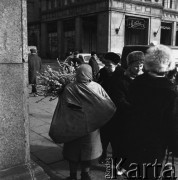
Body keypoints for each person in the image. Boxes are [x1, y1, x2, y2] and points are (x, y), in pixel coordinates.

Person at [126, 45, 177, 179]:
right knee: (150, 174)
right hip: (156, 142)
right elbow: (171, 121)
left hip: (134, 136)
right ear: (167, 64)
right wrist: (174, 145)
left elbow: (130, 106)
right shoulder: (169, 89)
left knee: (134, 173)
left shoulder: (137, 82)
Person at [62, 64, 115, 180]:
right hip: (92, 125)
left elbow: (65, 106)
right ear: (90, 73)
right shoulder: (96, 87)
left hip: (74, 126)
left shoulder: (70, 87)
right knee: (88, 151)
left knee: (73, 151)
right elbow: (107, 104)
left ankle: (72, 175)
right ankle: (85, 174)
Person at [110, 51, 144, 169]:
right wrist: (135, 109)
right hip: (124, 119)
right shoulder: (122, 80)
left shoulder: (145, 80)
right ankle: (118, 167)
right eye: (136, 65)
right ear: (129, 65)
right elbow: (120, 100)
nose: (139, 68)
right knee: (121, 145)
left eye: (141, 65)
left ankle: (131, 166)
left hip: (138, 120)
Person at [97, 52, 122, 164]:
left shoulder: (122, 74)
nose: (106, 67)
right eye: (105, 64)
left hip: (118, 111)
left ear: (116, 64)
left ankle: (116, 160)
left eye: (109, 65)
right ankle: (103, 154)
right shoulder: (102, 73)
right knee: (104, 135)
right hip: (104, 110)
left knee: (116, 138)